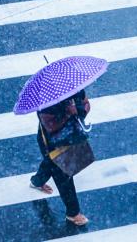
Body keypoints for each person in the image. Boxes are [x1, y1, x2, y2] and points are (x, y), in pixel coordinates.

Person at [29, 89, 90, 226]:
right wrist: (69, 113)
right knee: (63, 176)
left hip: (71, 136)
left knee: (51, 163)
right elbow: (50, 125)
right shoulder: (46, 97)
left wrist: (79, 110)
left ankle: (37, 181)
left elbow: (86, 104)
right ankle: (73, 214)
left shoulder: (75, 87)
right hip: (53, 142)